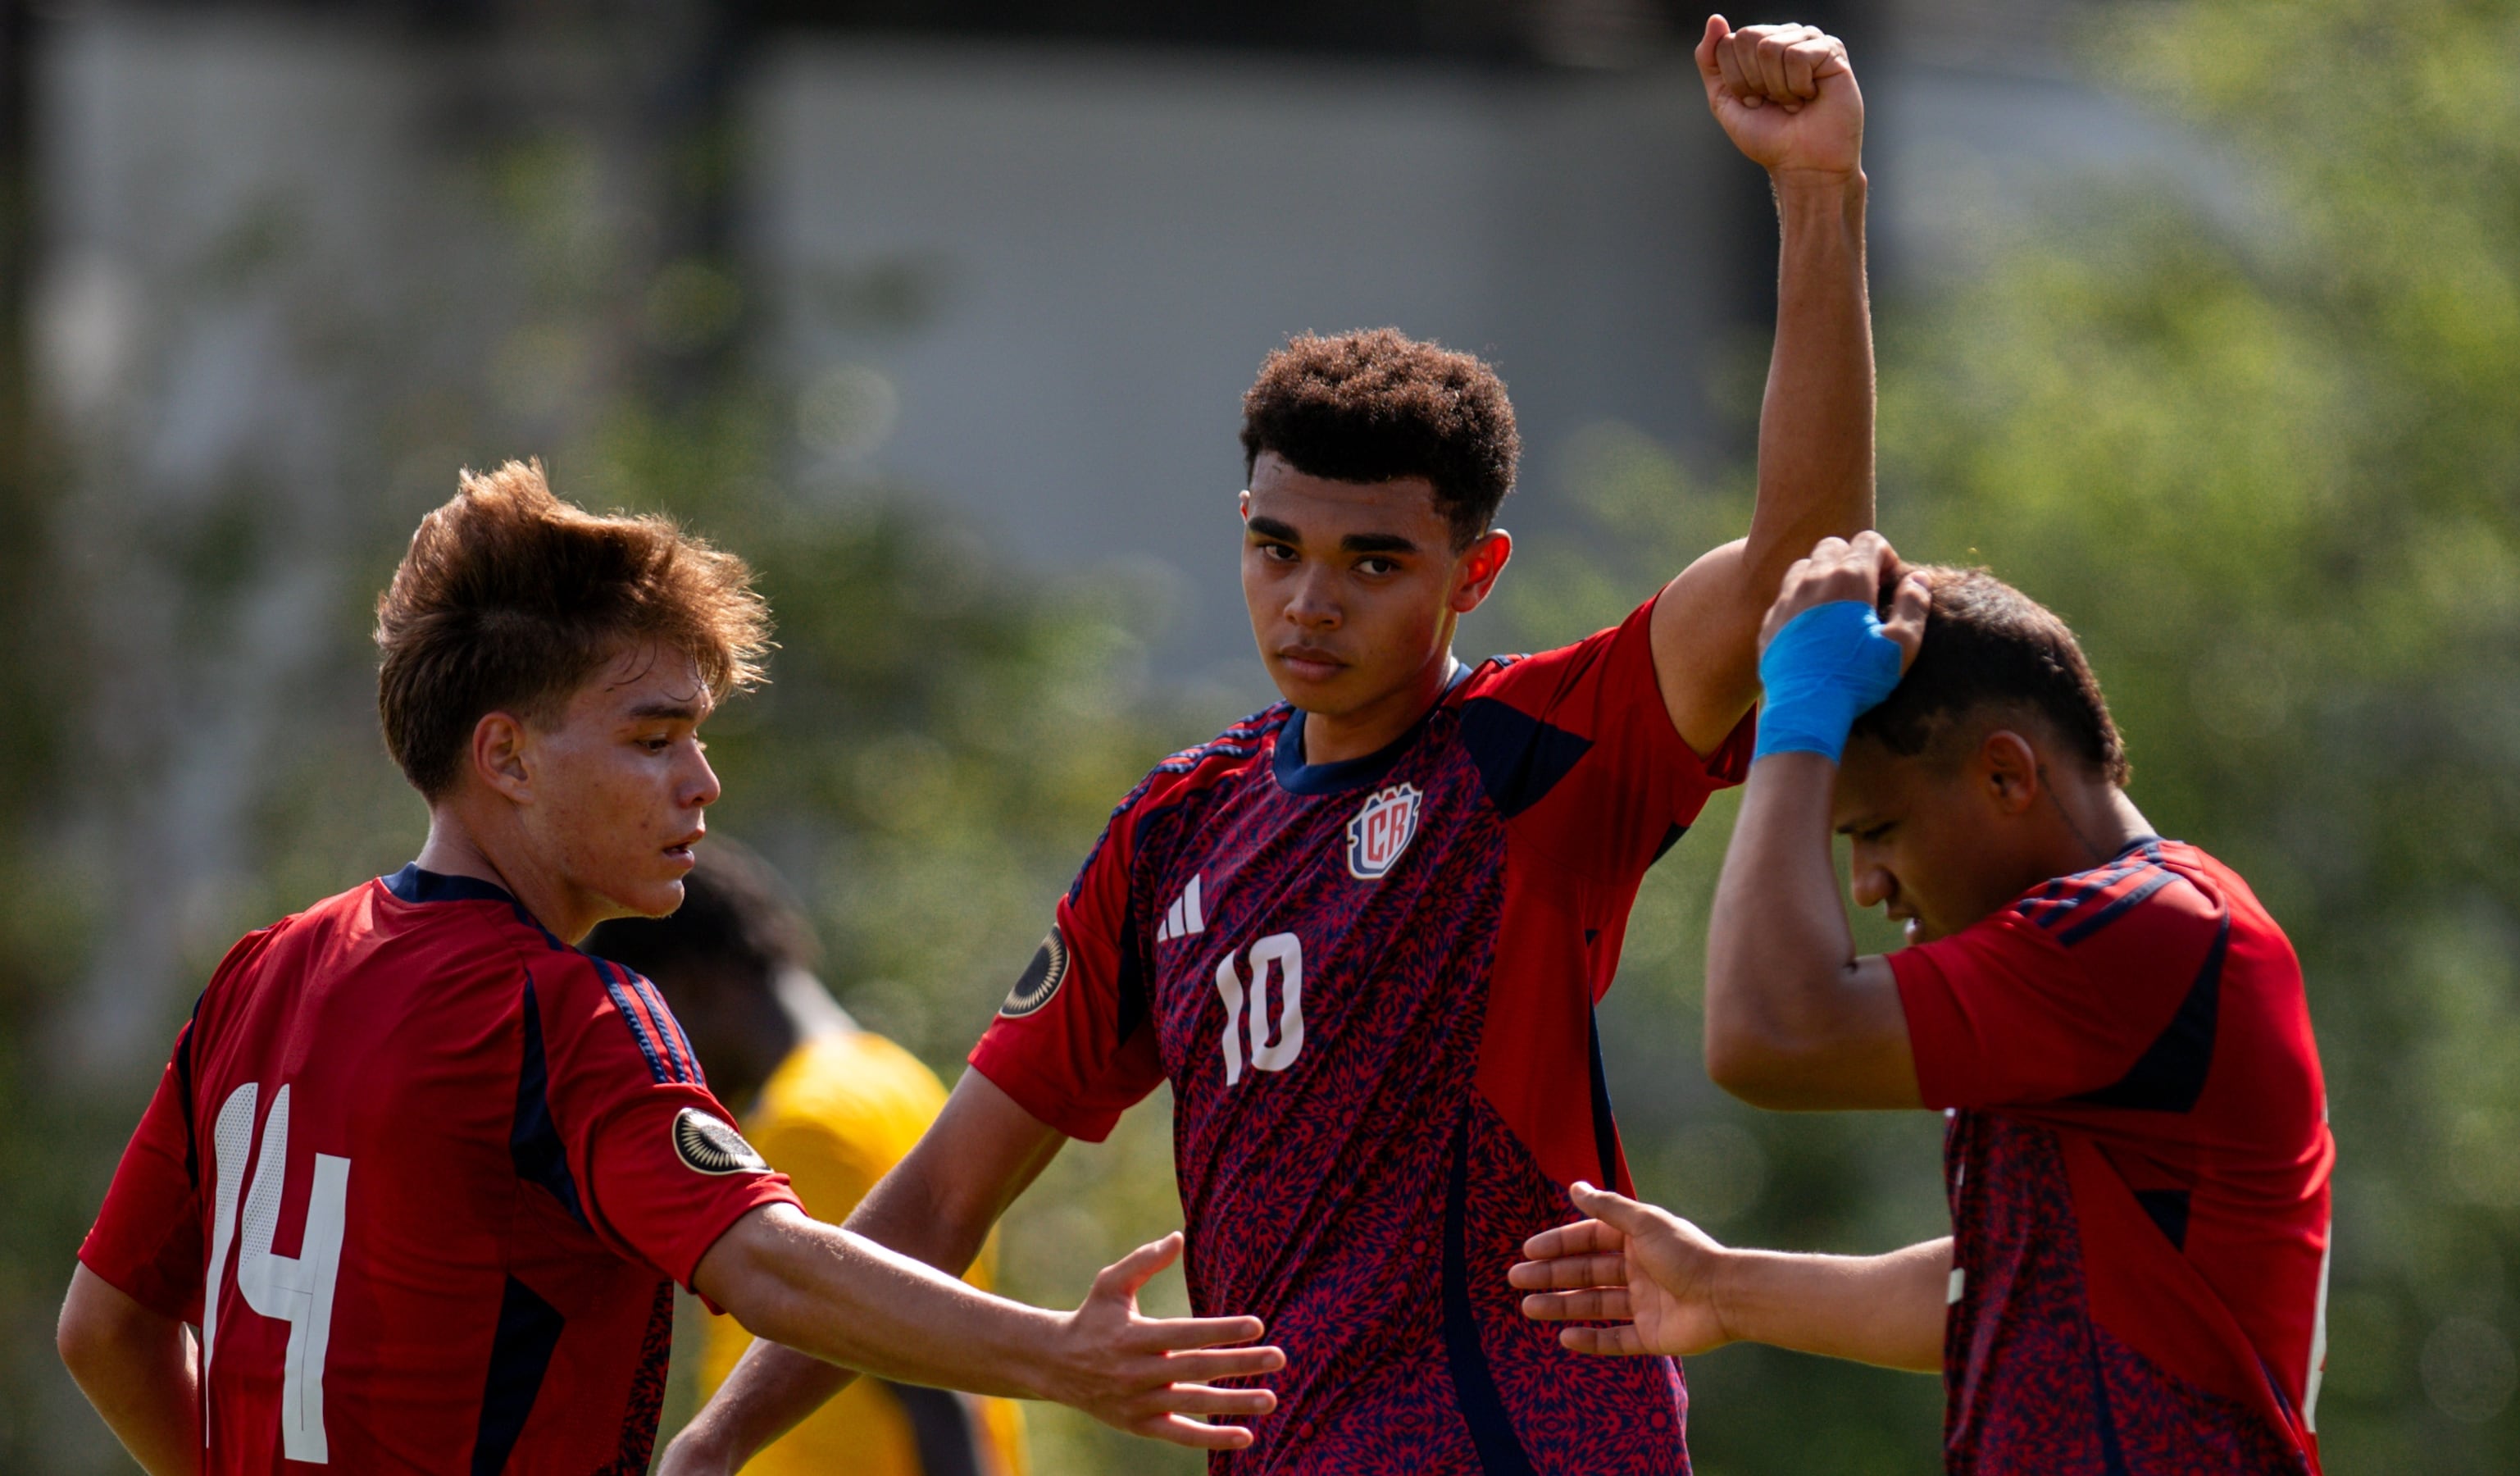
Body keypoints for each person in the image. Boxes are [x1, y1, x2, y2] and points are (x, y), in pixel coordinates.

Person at [662, 17, 1876, 1474]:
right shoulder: (1177, 830)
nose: (1311, 600)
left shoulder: (1532, 755)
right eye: (1277, 547)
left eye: (1373, 563)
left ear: (1470, 577)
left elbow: (1805, 557)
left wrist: (1817, 192)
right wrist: (710, 1450)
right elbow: (933, 1204)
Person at [55, 462, 1280, 1474]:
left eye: (701, 736)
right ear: (508, 757)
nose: (702, 783)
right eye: (653, 739)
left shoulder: (262, 972)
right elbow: (764, 1264)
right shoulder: (565, 1013)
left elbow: (104, 1329)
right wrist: (1057, 1354)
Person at [1509, 532, 2334, 1474]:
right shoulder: (2127, 942)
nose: (1864, 886)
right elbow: (2004, 1280)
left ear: (2004, 775)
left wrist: (1800, 715)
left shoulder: (2147, 931)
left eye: (1875, 831)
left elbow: (1767, 1033)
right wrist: (1724, 1289)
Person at [586, 838, 1028, 1476]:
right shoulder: (893, 1076)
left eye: (650, 1028)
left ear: (694, 986)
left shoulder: (805, 1124)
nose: (649, 1066)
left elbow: (929, 1383)